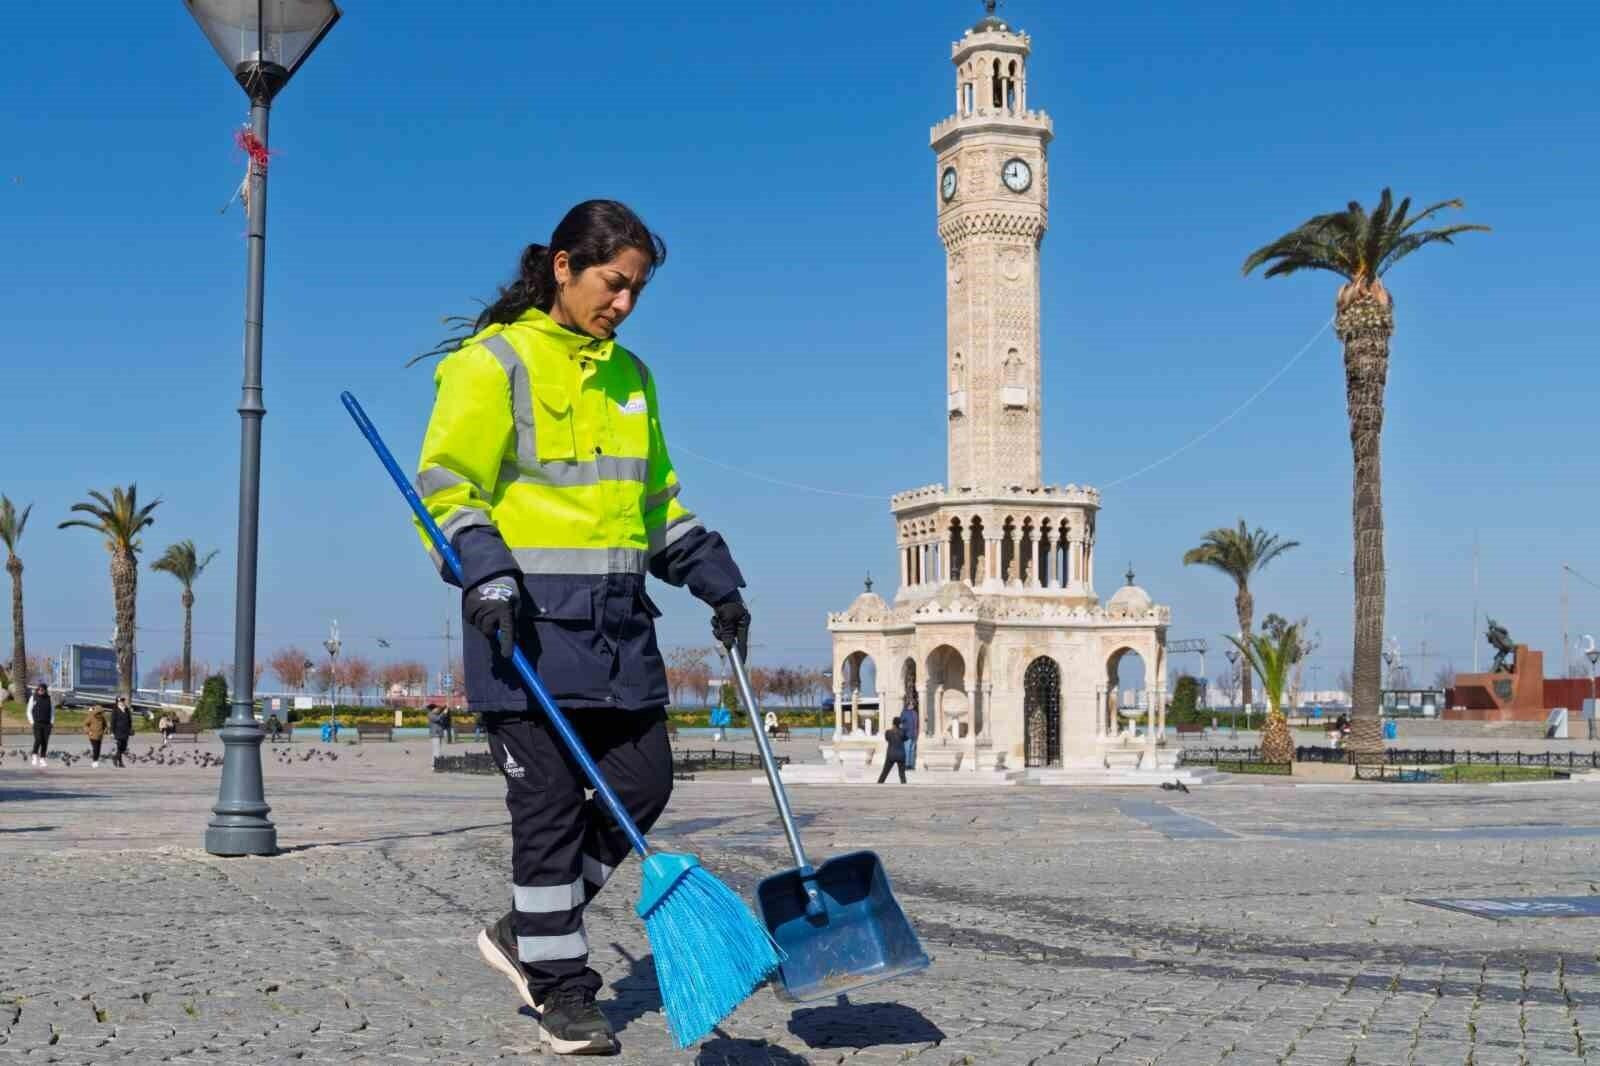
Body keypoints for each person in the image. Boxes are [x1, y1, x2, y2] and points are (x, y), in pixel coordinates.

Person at [414, 200, 751, 1056]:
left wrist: (715, 579)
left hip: (618, 633)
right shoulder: (491, 363)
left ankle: (532, 925)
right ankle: (562, 987)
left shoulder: (632, 379)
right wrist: (484, 573)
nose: (624, 304)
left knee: (643, 783)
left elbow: (655, 505)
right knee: (550, 814)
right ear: (563, 266)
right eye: (613, 284)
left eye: (637, 290)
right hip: (522, 634)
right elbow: (448, 488)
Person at [26, 682, 53, 767]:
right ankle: (34, 755)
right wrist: (32, 722)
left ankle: (42, 759)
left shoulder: (49, 698)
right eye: (39, 689)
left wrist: (51, 722)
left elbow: (52, 712)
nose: (41, 691)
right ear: (37, 689)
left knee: (45, 742)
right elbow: (29, 711)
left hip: (47, 724)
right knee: (38, 739)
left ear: (45, 690)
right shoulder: (33, 698)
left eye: (42, 689)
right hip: (37, 723)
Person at [110, 697, 134, 768]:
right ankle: (120, 762)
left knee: (123, 748)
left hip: (126, 732)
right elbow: (112, 722)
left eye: (123, 701)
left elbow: (129, 721)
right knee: (119, 746)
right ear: (117, 702)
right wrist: (112, 732)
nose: (122, 702)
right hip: (118, 732)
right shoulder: (115, 710)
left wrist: (130, 729)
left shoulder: (126, 709)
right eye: (121, 701)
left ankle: (115, 757)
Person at [898, 703, 919, 770]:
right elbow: (900, 722)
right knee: (907, 750)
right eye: (910, 704)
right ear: (907, 705)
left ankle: (911, 765)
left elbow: (917, 724)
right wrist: (904, 729)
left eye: (912, 704)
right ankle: (906, 765)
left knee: (912, 750)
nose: (912, 705)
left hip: (914, 735)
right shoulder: (904, 713)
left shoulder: (915, 713)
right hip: (907, 734)